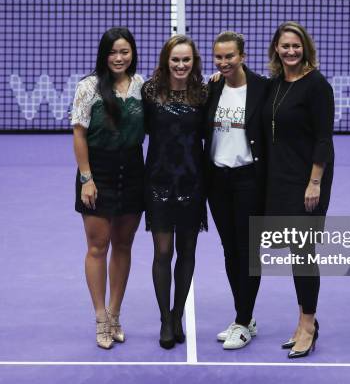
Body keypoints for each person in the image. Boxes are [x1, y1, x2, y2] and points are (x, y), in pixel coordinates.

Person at [70, 27, 145, 350]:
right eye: (113, 52)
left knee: (124, 246)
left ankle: (115, 314)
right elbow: (79, 133)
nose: (118, 58)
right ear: (104, 55)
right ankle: (100, 317)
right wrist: (87, 178)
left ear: (132, 54)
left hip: (132, 172)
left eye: (124, 52)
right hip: (97, 172)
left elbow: (179, 86)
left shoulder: (143, 86)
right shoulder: (88, 87)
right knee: (98, 247)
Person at [263, 21, 335, 358]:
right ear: (276, 48)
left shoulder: (317, 86)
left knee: (304, 252)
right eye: (285, 46)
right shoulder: (276, 84)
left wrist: (315, 182)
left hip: (308, 181)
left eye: (296, 46)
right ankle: (303, 319)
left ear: (305, 48)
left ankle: (308, 324)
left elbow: (323, 138)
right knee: (294, 249)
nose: (291, 51)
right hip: (281, 179)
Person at [142, 35, 208, 349]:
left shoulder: (204, 94)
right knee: (163, 252)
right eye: (175, 60)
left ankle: (178, 313)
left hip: (193, 184)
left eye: (186, 60)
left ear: (193, 62)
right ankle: (165, 320)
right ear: (166, 61)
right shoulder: (150, 92)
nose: (180, 65)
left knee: (187, 252)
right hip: (158, 184)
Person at [205, 31, 270, 350]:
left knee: (248, 252)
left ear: (242, 56)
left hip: (248, 180)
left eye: (230, 56)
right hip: (217, 181)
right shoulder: (212, 86)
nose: (224, 62)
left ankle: (243, 322)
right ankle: (244, 315)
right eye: (219, 57)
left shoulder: (262, 88)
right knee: (230, 249)